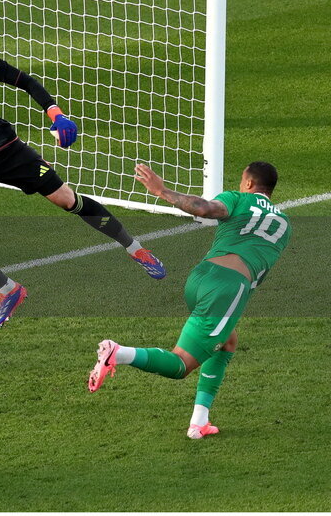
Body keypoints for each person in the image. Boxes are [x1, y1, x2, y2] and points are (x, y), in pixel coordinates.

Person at [0, 12, 166, 328]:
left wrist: (56, 115)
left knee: (68, 200)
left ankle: (136, 250)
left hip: (8, 151)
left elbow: (24, 81)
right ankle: (8, 289)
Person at [88, 161, 291, 439]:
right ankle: (118, 353)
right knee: (181, 365)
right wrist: (163, 192)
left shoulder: (237, 198)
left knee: (228, 341)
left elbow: (206, 208)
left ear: (248, 184)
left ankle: (200, 421)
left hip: (199, 279)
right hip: (227, 288)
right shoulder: (283, 225)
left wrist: (162, 191)